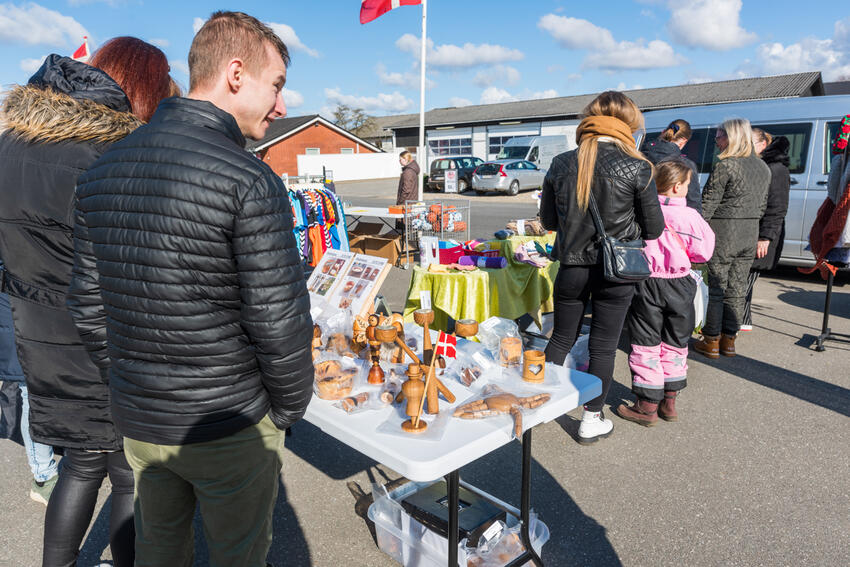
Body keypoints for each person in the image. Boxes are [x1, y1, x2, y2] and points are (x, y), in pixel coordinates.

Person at [67, 12, 314, 566]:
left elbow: (88, 307)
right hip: (227, 422)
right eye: (275, 85)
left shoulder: (103, 170)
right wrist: (286, 410)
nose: (280, 105)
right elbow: (280, 323)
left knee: (159, 550)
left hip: (142, 419)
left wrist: (131, 384)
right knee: (238, 555)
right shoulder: (248, 179)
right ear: (234, 73)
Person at [0, 37, 175, 566]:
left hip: (38, 332)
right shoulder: (111, 155)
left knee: (79, 461)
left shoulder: (13, 142)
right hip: (105, 336)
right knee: (127, 473)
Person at [540, 91, 664, 444]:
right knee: (603, 346)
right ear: (630, 124)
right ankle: (591, 419)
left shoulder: (562, 162)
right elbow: (654, 229)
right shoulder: (637, 165)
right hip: (618, 269)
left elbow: (549, 220)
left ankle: (542, 404)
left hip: (572, 265)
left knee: (561, 337)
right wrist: (621, 231)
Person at [618, 160, 715, 425]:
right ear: (676, 186)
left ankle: (647, 404)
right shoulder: (691, 217)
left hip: (646, 282)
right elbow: (704, 252)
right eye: (687, 183)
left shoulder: (641, 211)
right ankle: (669, 401)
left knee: (645, 341)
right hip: (680, 283)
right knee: (675, 340)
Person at [694, 119, 770, 358]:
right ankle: (729, 340)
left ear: (732, 137)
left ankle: (712, 340)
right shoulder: (763, 167)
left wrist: (694, 232)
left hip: (724, 232)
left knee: (717, 287)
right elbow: (763, 205)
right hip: (749, 232)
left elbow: (707, 204)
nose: (716, 140)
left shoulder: (726, 165)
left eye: (719, 136)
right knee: (737, 289)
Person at [0, 286, 58, 504]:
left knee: (42, 392)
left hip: (37, 306)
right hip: (19, 311)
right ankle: (44, 477)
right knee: (32, 393)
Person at [741, 129, 791, 331]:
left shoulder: (776, 169)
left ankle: (737, 323)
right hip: (752, 231)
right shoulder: (760, 165)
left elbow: (777, 207)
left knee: (744, 280)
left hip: (762, 234)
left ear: (763, 144)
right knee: (743, 280)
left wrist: (765, 237)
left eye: (750, 142)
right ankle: (742, 321)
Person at [643, 119, 703, 213]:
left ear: (663, 132)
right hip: (673, 222)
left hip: (641, 217)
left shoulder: (640, 156)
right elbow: (693, 203)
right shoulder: (686, 165)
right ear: (683, 141)